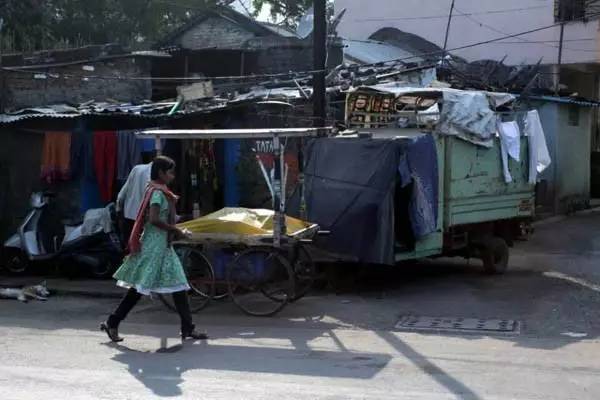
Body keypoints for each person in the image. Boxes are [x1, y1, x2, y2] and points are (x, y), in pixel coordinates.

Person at [101, 156, 207, 342]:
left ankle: (187, 328)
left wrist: (178, 225)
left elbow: (162, 217)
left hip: (163, 246)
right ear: (161, 173)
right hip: (153, 246)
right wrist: (176, 230)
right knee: (139, 289)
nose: (173, 176)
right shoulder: (157, 193)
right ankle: (112, 322)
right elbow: (154, 219)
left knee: (179, 286)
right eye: (170, 172)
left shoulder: (160, 191)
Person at [116, 162, 152, 245]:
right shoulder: (154, 178)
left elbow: (122, 194)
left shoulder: (137, 169)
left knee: (128, 246)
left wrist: (118, 210)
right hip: (143, 219)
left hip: (129, 214)